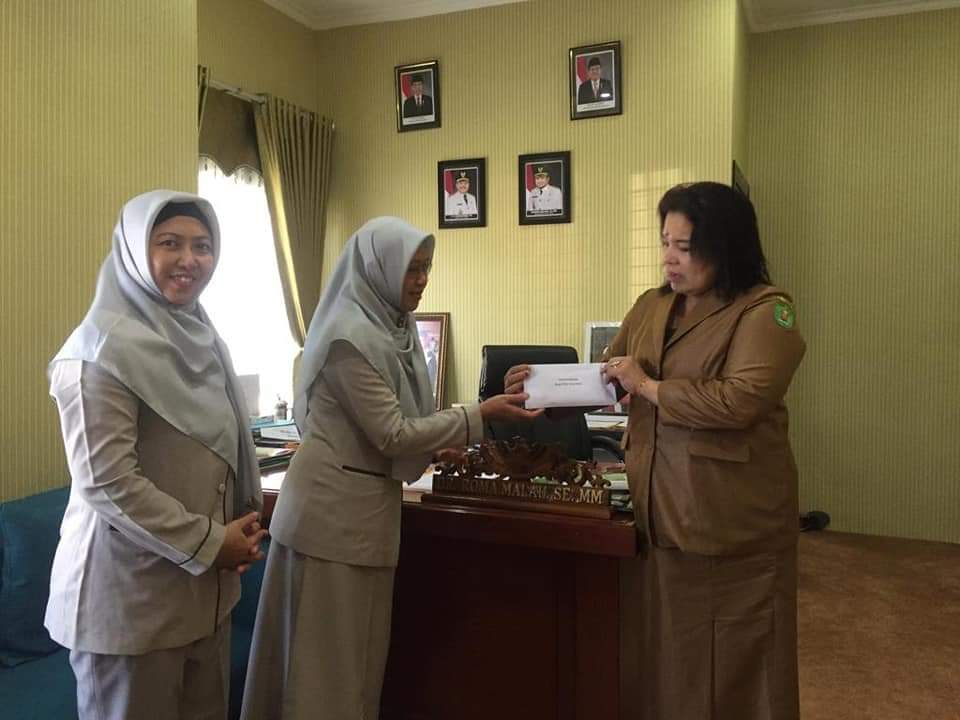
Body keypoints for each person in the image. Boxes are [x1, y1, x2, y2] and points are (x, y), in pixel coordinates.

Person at [505, 182, 805, 719]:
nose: (669, 258)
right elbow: (608, 376)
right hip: (658, 507)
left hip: (728, 518)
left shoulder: (766, 312)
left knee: (737, 659)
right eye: (665, 243)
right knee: (668, 656)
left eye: (684, 247)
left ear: (726, 245)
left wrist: (647, 386)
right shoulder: (652, 304)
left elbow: (739, 401)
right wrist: (543, 392)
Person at [240, 216, 540, 720]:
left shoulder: (393, 329)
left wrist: (439, 444)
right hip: (328, 522)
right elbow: (392, 433)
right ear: (378, 269)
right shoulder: (349, 337)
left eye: (426, 268)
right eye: (411, 270)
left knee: (357, 669)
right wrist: (478, 415)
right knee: (322, 674)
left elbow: (398, 427)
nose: (421, 280)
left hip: (364, 515)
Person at [46, 190, 267, 719]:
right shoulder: (98, 351)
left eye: (202, 246)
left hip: (204, 596)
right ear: (133, 251)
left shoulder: (201, 336)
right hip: (129, 605)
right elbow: (107, 482)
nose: (189, 259)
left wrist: (234, 529)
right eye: (169, 243)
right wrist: (212, 542)